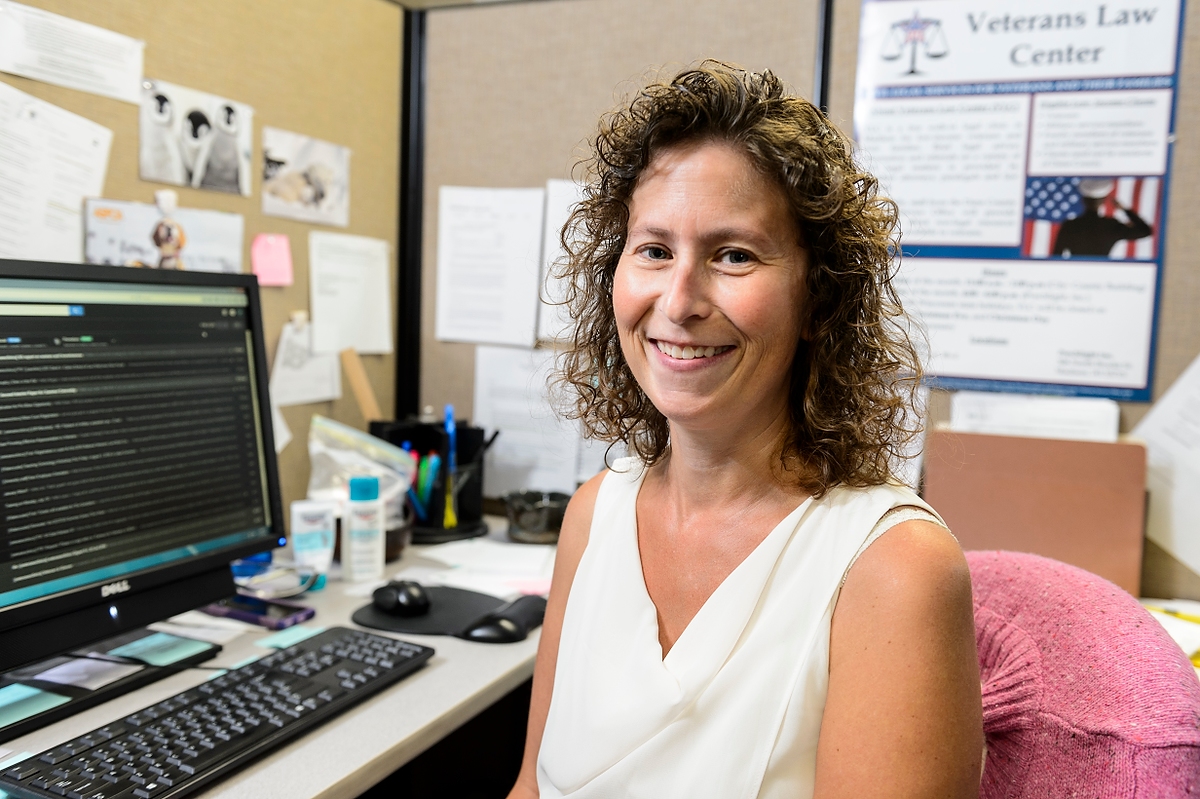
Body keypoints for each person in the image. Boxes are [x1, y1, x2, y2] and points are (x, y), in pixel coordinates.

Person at [508, 63, 982, 799]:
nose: (680, 299)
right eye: (654, 250)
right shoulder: (593, 515)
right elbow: (532, 787)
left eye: (734, 255)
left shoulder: (894, 568)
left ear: (818, 297)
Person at [1052, 178, 1153, 258]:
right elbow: (1145, 231)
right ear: (1103, 201)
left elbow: (1056, 255)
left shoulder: (1070, 225)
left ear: (1083, 200)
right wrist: (1124, 209)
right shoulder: (1110, 225)